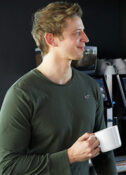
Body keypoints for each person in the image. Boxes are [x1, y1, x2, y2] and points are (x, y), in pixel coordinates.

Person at [0, 2, 117, 175]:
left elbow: (103, 154)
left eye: (83, 31)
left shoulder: (90, 87)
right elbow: (7, 166)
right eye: (77, 33)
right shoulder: (21, 94)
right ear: (51, 39)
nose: (86, 38)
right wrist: (69, 156)